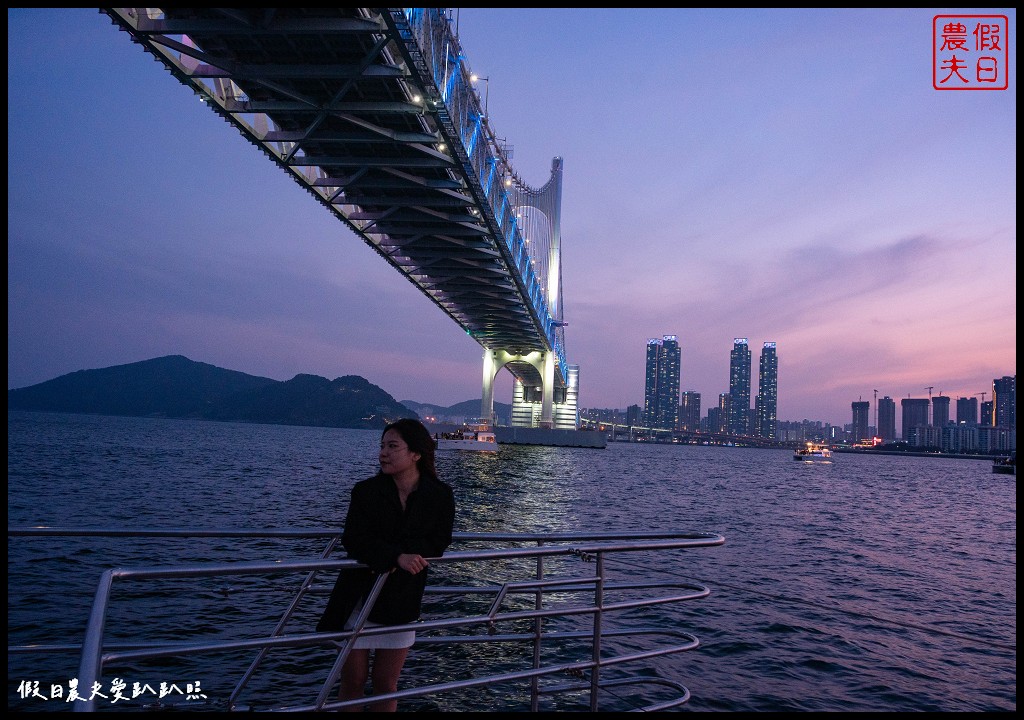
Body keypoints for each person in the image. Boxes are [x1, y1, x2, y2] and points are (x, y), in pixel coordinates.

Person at [317, 418, 455, 712]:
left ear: (416, 453)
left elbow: (439, 541)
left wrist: (407, 556)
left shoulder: (440, 495)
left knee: (385, 683)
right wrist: (396, 557)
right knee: (353, 681)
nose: (383, 453)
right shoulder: (366, 491)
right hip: (361, 594)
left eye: (393, 446)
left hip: (402, 597)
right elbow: (354, 539)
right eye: (382, 446)